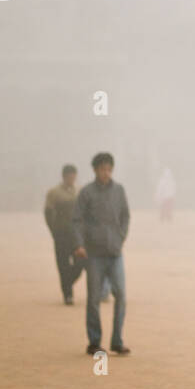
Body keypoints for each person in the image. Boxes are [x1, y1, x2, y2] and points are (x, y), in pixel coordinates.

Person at [72, 152, 131, 355]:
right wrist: (80, 244)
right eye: (102, 169)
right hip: (94, 254)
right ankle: (94, 342)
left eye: (108, 169)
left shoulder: (119, 191)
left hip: (115, 253)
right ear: (95, 170)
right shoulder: (86, 193)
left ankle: (117, 341)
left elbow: (125, 216)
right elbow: (77, 220)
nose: (105, 173)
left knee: (121, 296)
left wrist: (121, 236)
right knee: (94, 299)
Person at [44, 164, 82, 304]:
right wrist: (53, 230)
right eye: (70, 176)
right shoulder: (54, 193)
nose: (72, 179)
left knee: (80, 262)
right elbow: (48, 213)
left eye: (74, 176)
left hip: (77, 234)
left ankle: (67, 282)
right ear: (64, 177)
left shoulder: (79, 191)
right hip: (61, 233)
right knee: (63, 264)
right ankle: (68, 295)